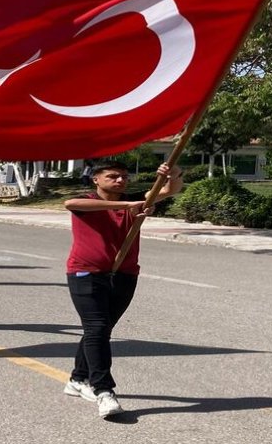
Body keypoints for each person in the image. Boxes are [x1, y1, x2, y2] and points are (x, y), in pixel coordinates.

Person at [61, 160, 182, 419]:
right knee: (97, 327)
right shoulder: (87, 201)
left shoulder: (136, 200)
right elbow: (70, 204)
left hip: (124, 273)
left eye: (124, 177)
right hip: (86, 273)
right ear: (96, 179)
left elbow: (169, 190)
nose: (120, 180)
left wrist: (173, 175)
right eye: (113, 176)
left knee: (101, 329)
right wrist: (127, 205)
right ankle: (103, 390)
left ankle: (77, 379)